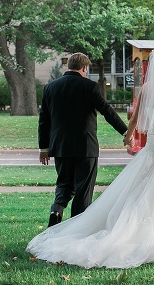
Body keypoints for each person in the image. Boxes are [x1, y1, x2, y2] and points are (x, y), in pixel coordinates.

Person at [28, 49, 154, 268]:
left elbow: (135, 118)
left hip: (149, 145)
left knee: (123, 187)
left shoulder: (147, 89)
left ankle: (63, 216)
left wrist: (129, 136)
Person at [36, 52, 128, 227]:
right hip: (85, 148)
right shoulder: (89, 87)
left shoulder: (50, 87)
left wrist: (43, 148)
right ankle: (76, 229)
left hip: (60, 147)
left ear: (68, 65)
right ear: (85, 68)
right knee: (83, 191)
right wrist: (125, 132)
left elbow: (44, 120)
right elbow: (107, 111)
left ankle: (56, 211)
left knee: (63, 185)